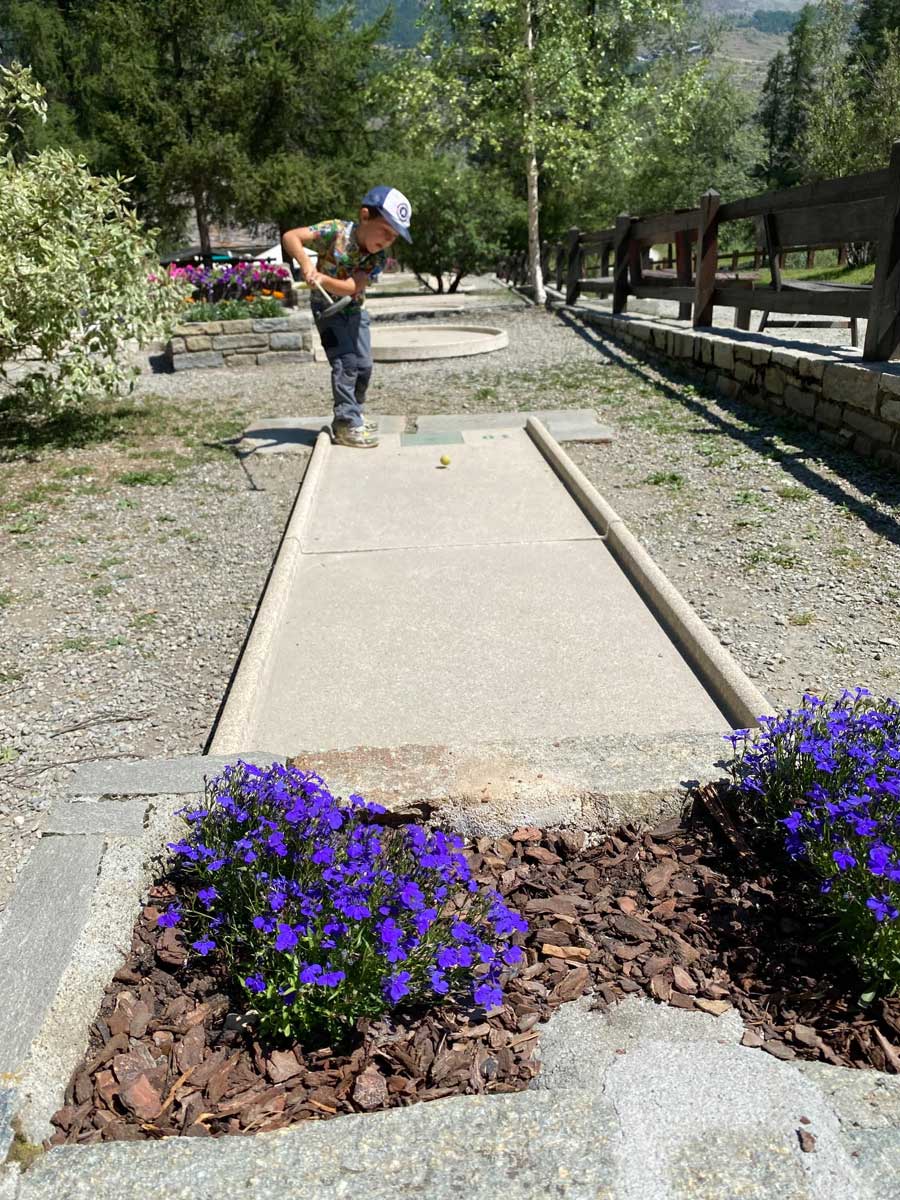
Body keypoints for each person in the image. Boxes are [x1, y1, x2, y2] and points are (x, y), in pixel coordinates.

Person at [282, 186, 412, 449]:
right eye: (385, 231)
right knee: (346, 364)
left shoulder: (378, 257)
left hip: (354, 310)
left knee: (364, 367)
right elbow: (291, 237)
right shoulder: (336, 231)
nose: (387, 240)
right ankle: (345, 423)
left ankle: (356, 412)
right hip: (327, 311)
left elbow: (353, 287)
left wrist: (323, 278)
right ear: (365, 216)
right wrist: (307, 265)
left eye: (394, 237)